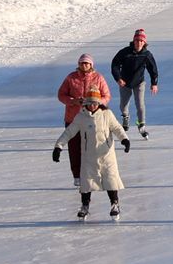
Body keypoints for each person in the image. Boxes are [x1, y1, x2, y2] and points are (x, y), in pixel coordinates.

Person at [52, 87, 129, 219]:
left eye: (95, 103)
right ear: (86, 103)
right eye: (90, 103)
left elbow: (116, 127)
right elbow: (69, 132)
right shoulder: (81, 117)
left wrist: (124, 139)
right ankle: (85, 206)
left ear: (99, 103)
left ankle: (114, 204)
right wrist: (58, 147)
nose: (93, 105)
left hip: (106, 154)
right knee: (86, 183)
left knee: (111, 179)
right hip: (89, 156)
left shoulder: (107, 114)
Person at [56, 54, 112, 185]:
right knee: (74, 148)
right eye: (82, 63)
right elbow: (61, 94)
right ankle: (77, 175)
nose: (84, 65)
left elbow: (107, 96)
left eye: (87, 63)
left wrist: (96, 102)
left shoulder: (98, 78)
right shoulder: (71, 77)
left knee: (92, 147)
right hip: (73, 118)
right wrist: (73, 101)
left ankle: (94, 173)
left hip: (92, 119)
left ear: (91, 65)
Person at [111, 29, 159, 137]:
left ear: (144, 42)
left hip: (139, 83)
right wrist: (118, 78)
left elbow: (153, 69)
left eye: (141, 41)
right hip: (125, 83)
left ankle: (141, 125)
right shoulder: (125, 52)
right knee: (123, 105)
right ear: (134, 41)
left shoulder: (146, 54)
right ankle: (125, 116)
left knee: (140, 105)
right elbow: (115, 65)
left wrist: (154, 83)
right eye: (137, 40)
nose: (139, 43)